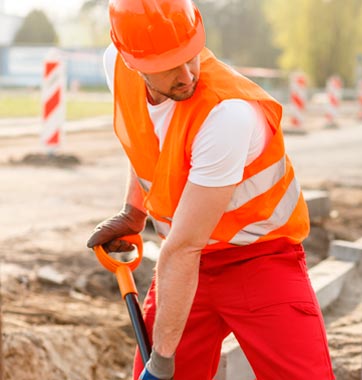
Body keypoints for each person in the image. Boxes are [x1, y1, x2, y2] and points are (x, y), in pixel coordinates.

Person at [86, 0, 334, 379]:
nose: (187, 74)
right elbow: (146, 144)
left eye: (191, 54)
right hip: (185, 267)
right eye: (169, 66)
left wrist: (163, 363)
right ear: (133, 62)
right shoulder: (116, 67)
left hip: (260, 262)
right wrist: (133, 213)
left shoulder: (226, 113)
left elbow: (184, 246)